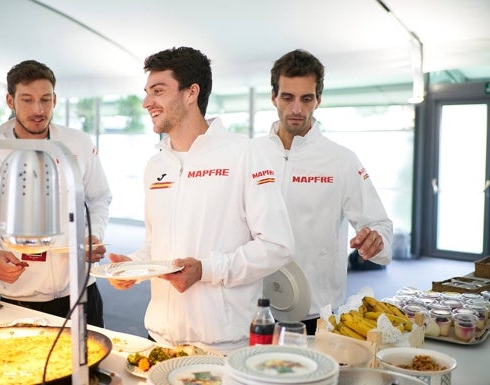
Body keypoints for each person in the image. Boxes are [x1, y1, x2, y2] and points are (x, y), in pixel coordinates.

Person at [107, 47, 295, 354]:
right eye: (147, 92)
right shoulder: (157, 165)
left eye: (158, 91)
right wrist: (134, 266)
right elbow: (157, 245)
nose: (146, 103)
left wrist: (207, 270)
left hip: (222, 345)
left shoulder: (245, 154)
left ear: (191, 92)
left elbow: (278, 245)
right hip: (160, 340)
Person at [253, 49, 393, 334]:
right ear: (273, 97)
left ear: (318, 99)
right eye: (287, 97)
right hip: (253, 307)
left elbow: (379, 224)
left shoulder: (341, 160)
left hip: (316, 312)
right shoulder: (250, 155)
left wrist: (376, 241)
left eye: (306, 99)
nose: (297, 109)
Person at [0, 60, 112, 327]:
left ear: (55, 99)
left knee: (91, 366)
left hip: (80, 289)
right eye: (27, 100)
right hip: (20, 294)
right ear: (10, 101)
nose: (38, 109)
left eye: (45, 99)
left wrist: (95, 234)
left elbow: (99, 197)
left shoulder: (78, 143)